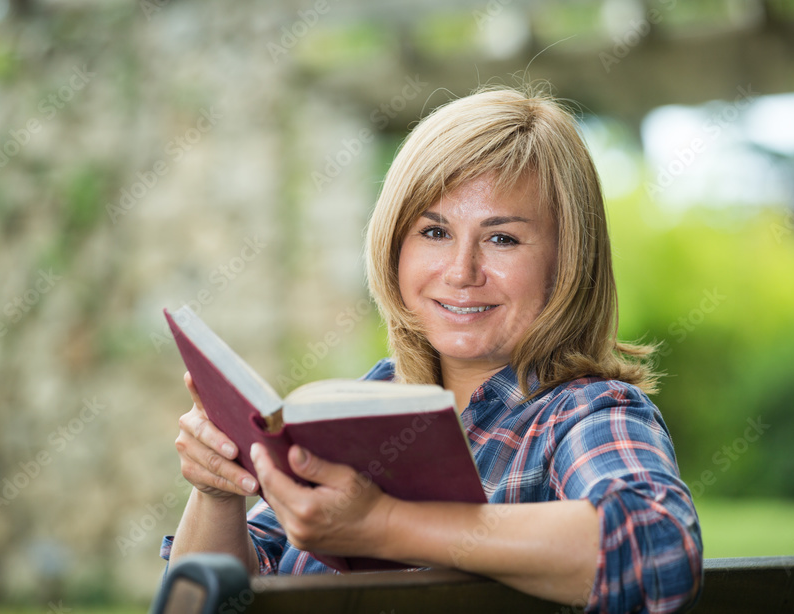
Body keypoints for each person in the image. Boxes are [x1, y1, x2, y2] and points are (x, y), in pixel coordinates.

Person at [162, 87, 703, 613]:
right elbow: (211, 597)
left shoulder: (581, 413)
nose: (461, 272)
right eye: (434, 232)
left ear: (567, 263)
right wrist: (218, 488)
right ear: (395, 246)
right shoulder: (372, 401)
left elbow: (656, 548)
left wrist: (384, 524)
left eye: (502, 239)